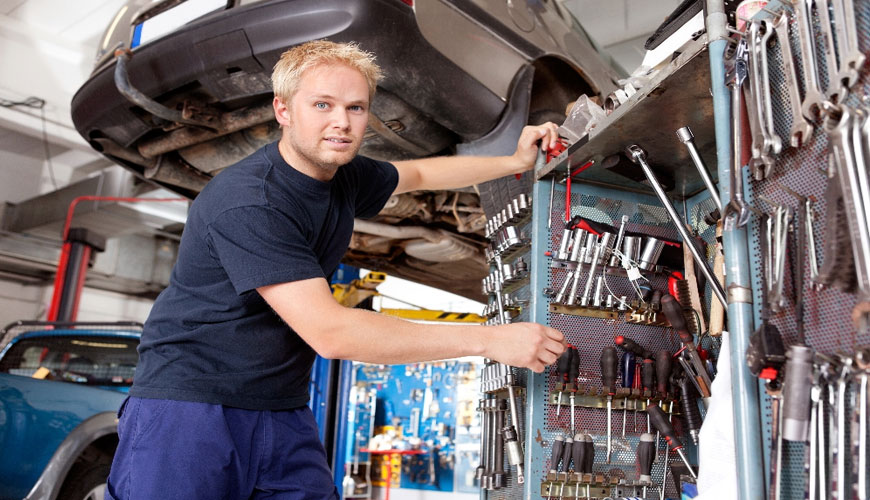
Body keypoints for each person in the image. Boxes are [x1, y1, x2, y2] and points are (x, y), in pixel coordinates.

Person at [106, 40, 566, 500]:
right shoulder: (249, 200)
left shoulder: (342, 176)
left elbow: (419, 176)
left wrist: (513, 163)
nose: (342, 122)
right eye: (322, 104)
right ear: (283, 110)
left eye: (356, 107)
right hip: (190, 410)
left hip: (280, 408)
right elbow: (332, 333)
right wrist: (489, 340)